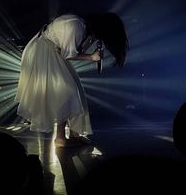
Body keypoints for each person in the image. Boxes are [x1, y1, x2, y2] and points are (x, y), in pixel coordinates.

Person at [15, 12, 129, 147]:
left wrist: (92, 46)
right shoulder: (76, 25)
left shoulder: (85, 29)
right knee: (66, 92)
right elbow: (68, 54)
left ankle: (75, 133)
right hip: (44, 51)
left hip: (53, 52)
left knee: (77, 91)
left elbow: (73, 49)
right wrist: (91, 57)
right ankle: (60, 138)